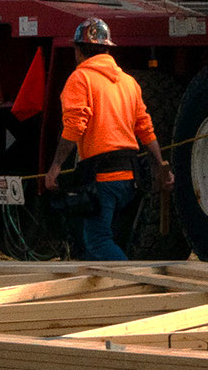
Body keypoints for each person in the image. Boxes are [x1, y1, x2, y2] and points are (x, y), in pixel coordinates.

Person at [40, 19, 175, 262]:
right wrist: (160, 166)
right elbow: (145, 128)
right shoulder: (128, 82)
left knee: (97, 241)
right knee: (98, 246)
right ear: (107, 50)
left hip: (103, 179)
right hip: (130, 181)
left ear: (79, 50)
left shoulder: (80, 79)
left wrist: (56, 166)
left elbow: (75, 125)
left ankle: (135, 286)